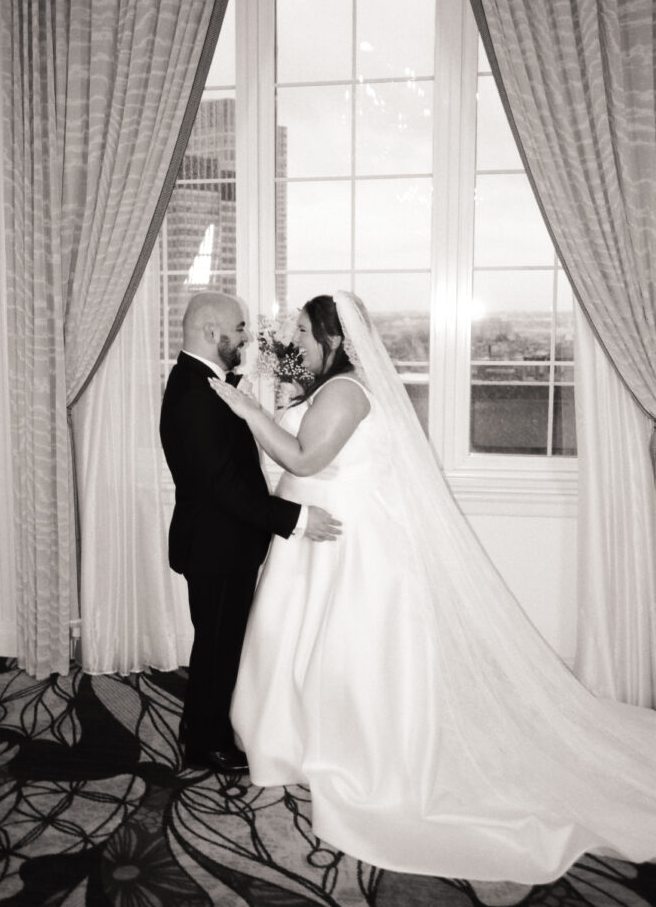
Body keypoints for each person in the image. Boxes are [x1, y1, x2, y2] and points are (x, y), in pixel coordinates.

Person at [210, 291, 656, 883]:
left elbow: (305, 458)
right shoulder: (326, 386)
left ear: (335, 340)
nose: (295, 342)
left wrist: (247, 411)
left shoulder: (345, 392)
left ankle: (349, 755)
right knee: (298, 649)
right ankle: (295, 744)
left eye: (304, 333)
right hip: (312, 542)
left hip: (346, 550)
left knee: (339, 658)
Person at [159, 291, 341, 775]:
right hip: (215, 544)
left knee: (220, 644)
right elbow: (222, 486)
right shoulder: (193, 394)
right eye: (239, 329)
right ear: (210, 331)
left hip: (226, 542)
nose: (246, 338)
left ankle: (202, 727)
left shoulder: (208, 384)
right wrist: (296, 519)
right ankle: (205, 744)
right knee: (217, 648)